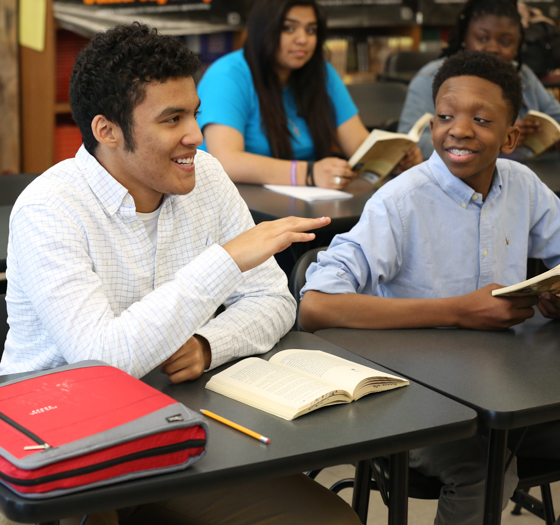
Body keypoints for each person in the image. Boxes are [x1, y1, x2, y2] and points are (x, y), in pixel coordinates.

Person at [0, 23, 362, 525]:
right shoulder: (49, 208)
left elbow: (275, 302)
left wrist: (208, 342)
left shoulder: (205, 174)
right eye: (172, 119)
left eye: (193, 112)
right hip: (64, 445)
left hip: (178, 421)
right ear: (107, 130)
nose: (195, 134)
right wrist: (225, 261)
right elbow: (100, 364)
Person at [299, 50, 560, 525]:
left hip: (503, 385)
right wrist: (459, 311)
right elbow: (316, 306)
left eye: (480, 119)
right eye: (444, 116)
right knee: (480, 469)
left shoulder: (522, 185)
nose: (458, 129)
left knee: (515, 440)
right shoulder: (401, 202)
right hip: (411, 396)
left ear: (511, 136)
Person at [197, 0, 422, 190]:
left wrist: (393, 158)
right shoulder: (228, 75)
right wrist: (309, 174)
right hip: (238, 202)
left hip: (303, 202)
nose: (302, 39)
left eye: (311, 30)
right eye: (288, 28)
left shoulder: (321, 73)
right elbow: (226, 160)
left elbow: (358, 145)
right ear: (263, 30)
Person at [398, 0, 560, 160]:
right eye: (482, 38)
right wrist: (498, 138)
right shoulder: (432, 78)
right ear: (464, 37)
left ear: (518, 46)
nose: (493, 48)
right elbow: (408, 145)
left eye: (505, 42)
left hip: (521, 175)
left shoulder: (523, 76)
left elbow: (556, 116)